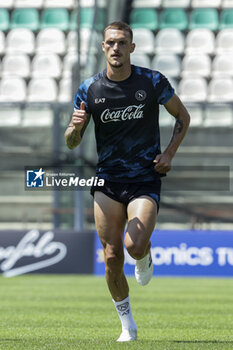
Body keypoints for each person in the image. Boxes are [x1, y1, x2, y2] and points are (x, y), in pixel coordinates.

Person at [65, 21, 190, 342]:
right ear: (103, 47)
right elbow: (71, 143)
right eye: (111, 42)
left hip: (144, 178)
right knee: (110, 255)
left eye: (122, 42)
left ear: (131, 47)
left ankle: (144, 254)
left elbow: (182, 116)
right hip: (108, 179)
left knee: (133, 245)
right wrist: (76, 128)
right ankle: (127, 325)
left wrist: (169, 154)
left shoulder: (151, 81)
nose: (116, 48)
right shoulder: (89, 89)